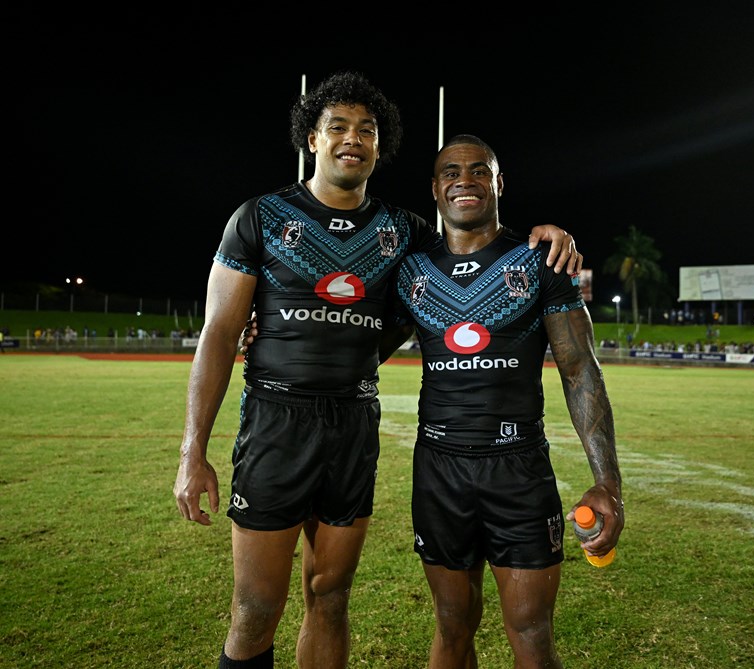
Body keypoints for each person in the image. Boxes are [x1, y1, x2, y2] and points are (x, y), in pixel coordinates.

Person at [172, 71, 583, 669]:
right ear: (311, 138)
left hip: (353, 423)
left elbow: (467, 251)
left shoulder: (403, 233)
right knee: (257, 607)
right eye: (337, 127)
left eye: (365, 130)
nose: (352, 139)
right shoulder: (259, 217)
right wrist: (192, 451)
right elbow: (216, 336)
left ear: (379, 146)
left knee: (330, 596)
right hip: (275, 420)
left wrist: (546, 238)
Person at [393, 134, 623, 667]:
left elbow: (580, 370)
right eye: (451, 172)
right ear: (435, 188)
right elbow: (360, 341)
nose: (465, 181)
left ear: (500, 183)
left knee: (532, 635)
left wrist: (608, 481)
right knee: (452, 628)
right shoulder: (411, 270)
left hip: (517, 470)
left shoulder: (540, 261)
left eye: (479, 171)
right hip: (439, 470)